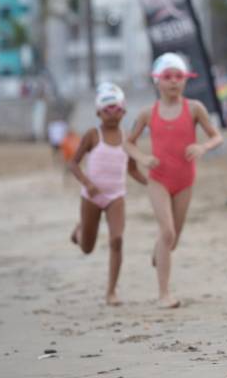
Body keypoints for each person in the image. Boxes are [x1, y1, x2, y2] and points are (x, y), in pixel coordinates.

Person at [125, 53, 224, 308]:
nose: (173, 82)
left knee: (173, 239)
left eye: (178, 77)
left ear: (185, 80)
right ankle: (163, 295)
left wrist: (203, 147)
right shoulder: (148, 113)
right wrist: (142, 158)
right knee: (167, 231)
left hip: (185, 180)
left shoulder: (194, 108)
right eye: (167, 77)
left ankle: (160, 250)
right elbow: (128, 142)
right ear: (157, 81)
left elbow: (217, 137)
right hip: (158, 179)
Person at [67, 83, 147, 306]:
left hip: (116, 196)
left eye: (117, 109)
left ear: (124, 111)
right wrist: (86, 183)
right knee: (87, 248)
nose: (112, 114)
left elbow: (132, 169)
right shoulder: (93, 135)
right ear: (98, 112)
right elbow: (73, 163)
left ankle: (111, 291)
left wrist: (150, 183)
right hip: (91, 197)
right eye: (107, 110)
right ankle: (80, 231)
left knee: (117, 239)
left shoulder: (128, 137)